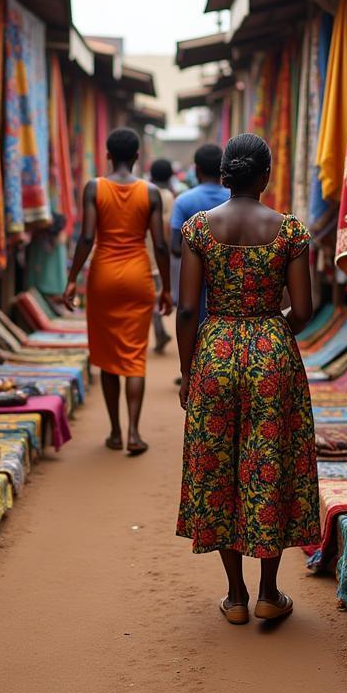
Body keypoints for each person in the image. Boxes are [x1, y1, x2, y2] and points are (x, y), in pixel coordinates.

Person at [175, 133, 319, 625]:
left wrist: (185, 370)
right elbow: (304, 310)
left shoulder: (197, 229)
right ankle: (268, 592)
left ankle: (234, 596)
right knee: (267, 466)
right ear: (265, 176)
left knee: (218, 469)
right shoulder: (291, 231)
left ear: (224, 177)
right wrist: (270, 324)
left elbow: (188, 307)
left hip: (213, 353)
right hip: (271, 355)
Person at [64, 128, 173, 455]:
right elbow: (161, 245)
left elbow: (86, 238)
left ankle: (114, 432)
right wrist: (166, 287)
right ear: (138, 157)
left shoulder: (94, 188)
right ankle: (135, 434)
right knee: (134, 356)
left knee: (108, 356)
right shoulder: (151, 192)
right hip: (138, 276)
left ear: (107, 155)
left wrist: (72, 279)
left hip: (103, 277)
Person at [170, 143, 229, 319]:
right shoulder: (234, 198)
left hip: (194, 283)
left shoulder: (183, 201)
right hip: (229, 282)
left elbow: (174, 246)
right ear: (222, 169)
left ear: (197, 170)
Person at [148, 158, 176, 353]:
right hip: (159, 251)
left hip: (145, 250)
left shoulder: (146, 192)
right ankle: (159, 332)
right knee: (156, 294)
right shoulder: (168, 196)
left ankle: (159, 332)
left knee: (152, 294)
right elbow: (167, 227)